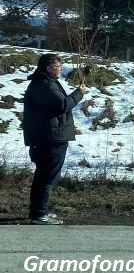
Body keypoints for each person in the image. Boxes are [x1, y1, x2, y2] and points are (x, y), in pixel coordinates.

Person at [22, 54, 88, 225]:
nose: (60, 68)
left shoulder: (43, 83)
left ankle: (38, 212)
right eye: (58, 66)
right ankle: (39, 215)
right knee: (47, 176)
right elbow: (63, 105)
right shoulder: (45, 84)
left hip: (46, 137)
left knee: (44, 175)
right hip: (49, 138)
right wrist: (79, 93)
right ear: (48, 68)